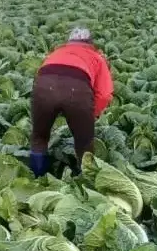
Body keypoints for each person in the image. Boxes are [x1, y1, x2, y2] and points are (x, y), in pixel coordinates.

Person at [29, 28, 113, 177]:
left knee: (39, 137)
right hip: (77, 90)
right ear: (90, 44)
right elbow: (105, 94)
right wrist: (91, 114)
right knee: (84, 143)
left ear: (69, 42)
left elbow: (39, 77)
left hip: (42, 88)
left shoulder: (55, 54)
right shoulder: (96, 57)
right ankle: (86, 183)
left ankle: (37, 179)